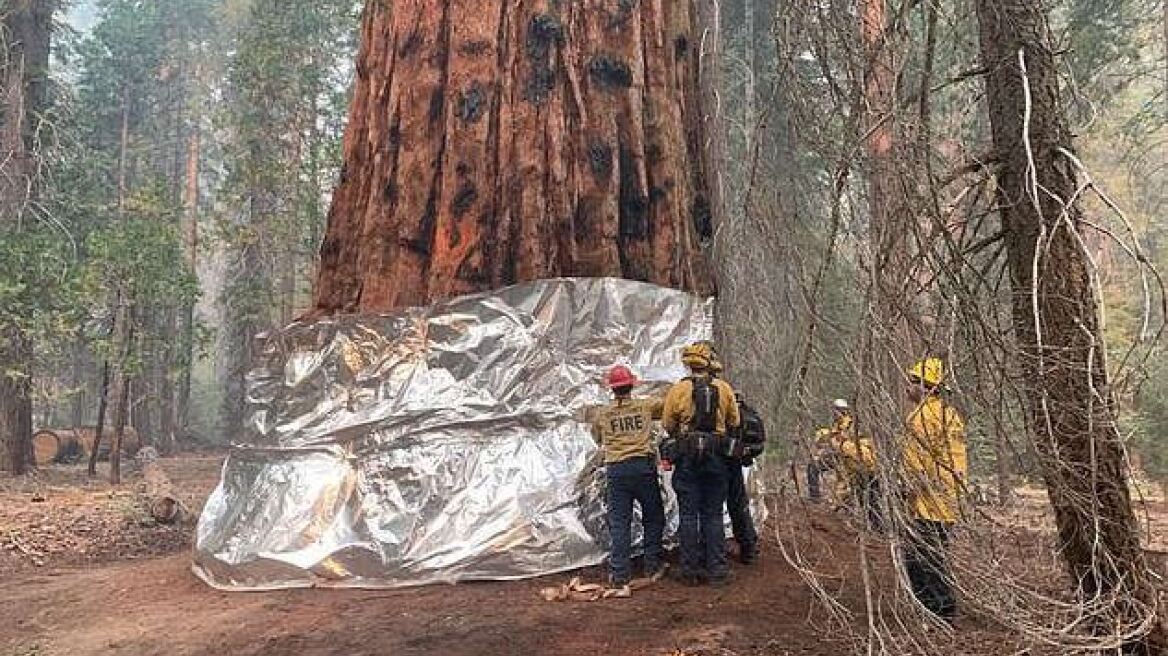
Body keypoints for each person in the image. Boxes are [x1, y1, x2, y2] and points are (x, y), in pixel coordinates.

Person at [662, 342, 741, 586]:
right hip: (716, 459)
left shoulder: (679, 390)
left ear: (688, 363)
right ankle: (717, 570)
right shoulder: (724, 388)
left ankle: (689, 571)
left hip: (687, 459)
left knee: (688, 515)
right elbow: (734, 421)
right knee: (713, 515)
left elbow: (668, 424)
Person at [899, 358, 967, 622]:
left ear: (926, 386)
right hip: (947, 499)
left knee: (921, 559)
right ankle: (937, 607)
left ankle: (938, 609)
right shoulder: (949, 414)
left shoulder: (922, 418)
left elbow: (916, 464)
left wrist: (903, 490)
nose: (907, 386)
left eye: (913, 381)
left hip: (929, 501)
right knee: (932, 555)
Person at [589, 364, 667, 587]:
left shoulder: (602, 414)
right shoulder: (645, 407)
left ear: (612, 389)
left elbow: (598, 439)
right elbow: (666, 406)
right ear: (631, 385)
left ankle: (620, 573)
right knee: (653, 517)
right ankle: (652, 564)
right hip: (642, 468)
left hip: (617, 470)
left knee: (620, 522)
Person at [708, 354, 762, 564]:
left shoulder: (695, 392)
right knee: (737, 505)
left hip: (714, 458)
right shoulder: (726, 391)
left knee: (710, 508)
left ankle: (712, 554)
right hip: (731, 460)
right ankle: (748, 548)